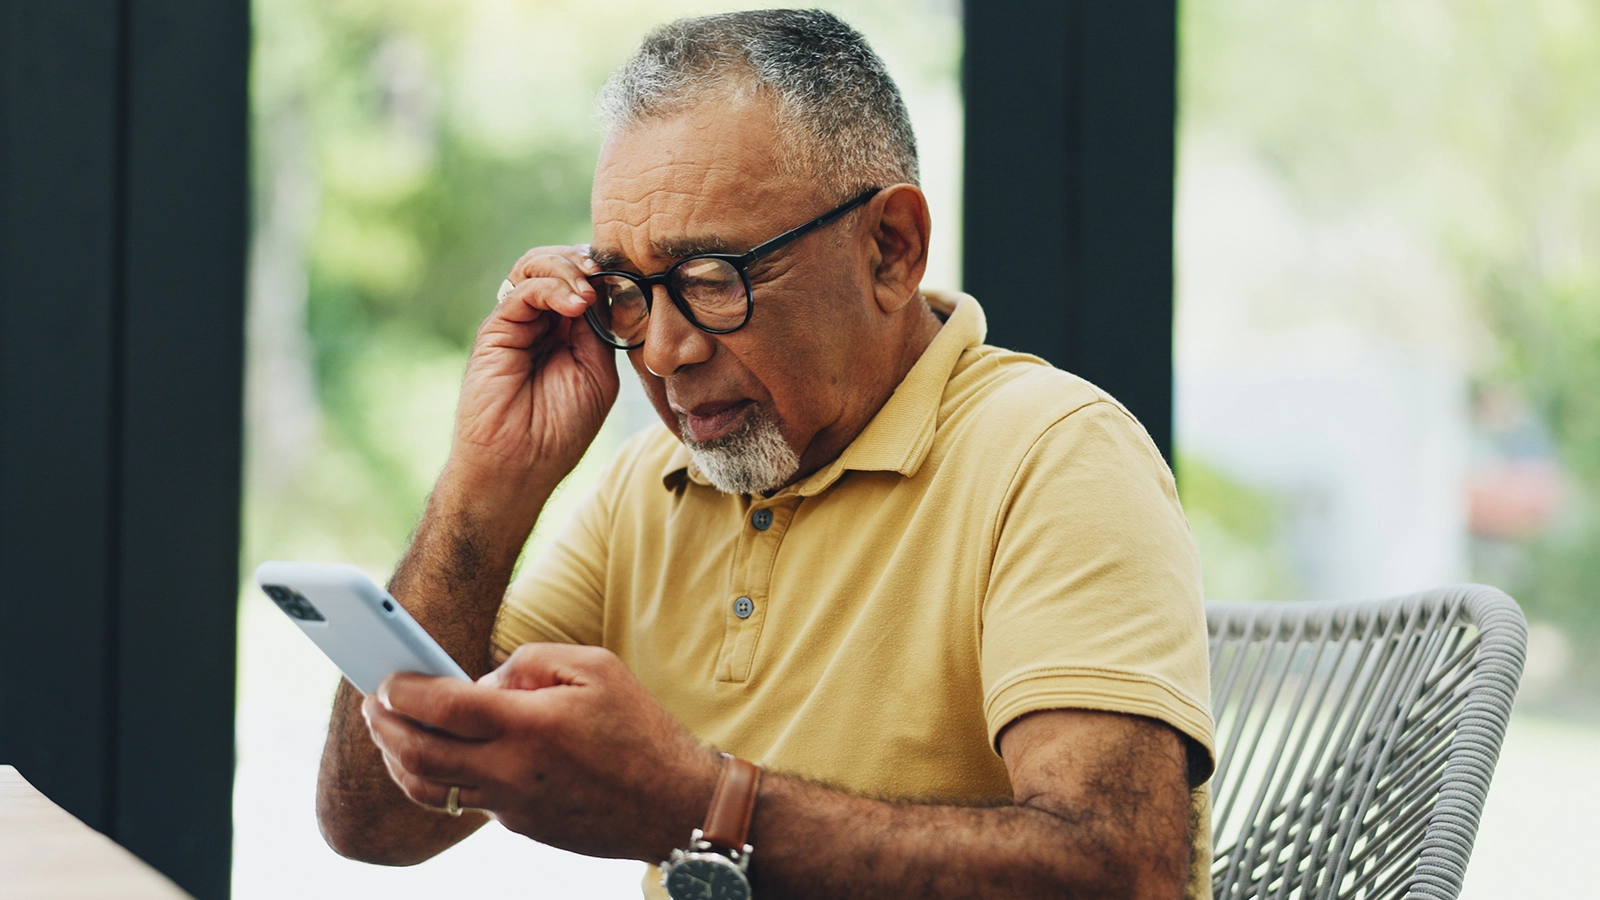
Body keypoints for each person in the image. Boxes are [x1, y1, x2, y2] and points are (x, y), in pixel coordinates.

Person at [317, 10, 1214, 899]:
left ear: (891, 249)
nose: (664, 351)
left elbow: (1122, 875)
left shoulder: (1052, 455)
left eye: (713, 280)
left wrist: (699, 805)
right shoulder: (649, 486)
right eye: (627, 292)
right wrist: (489, 486)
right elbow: (376, 824)